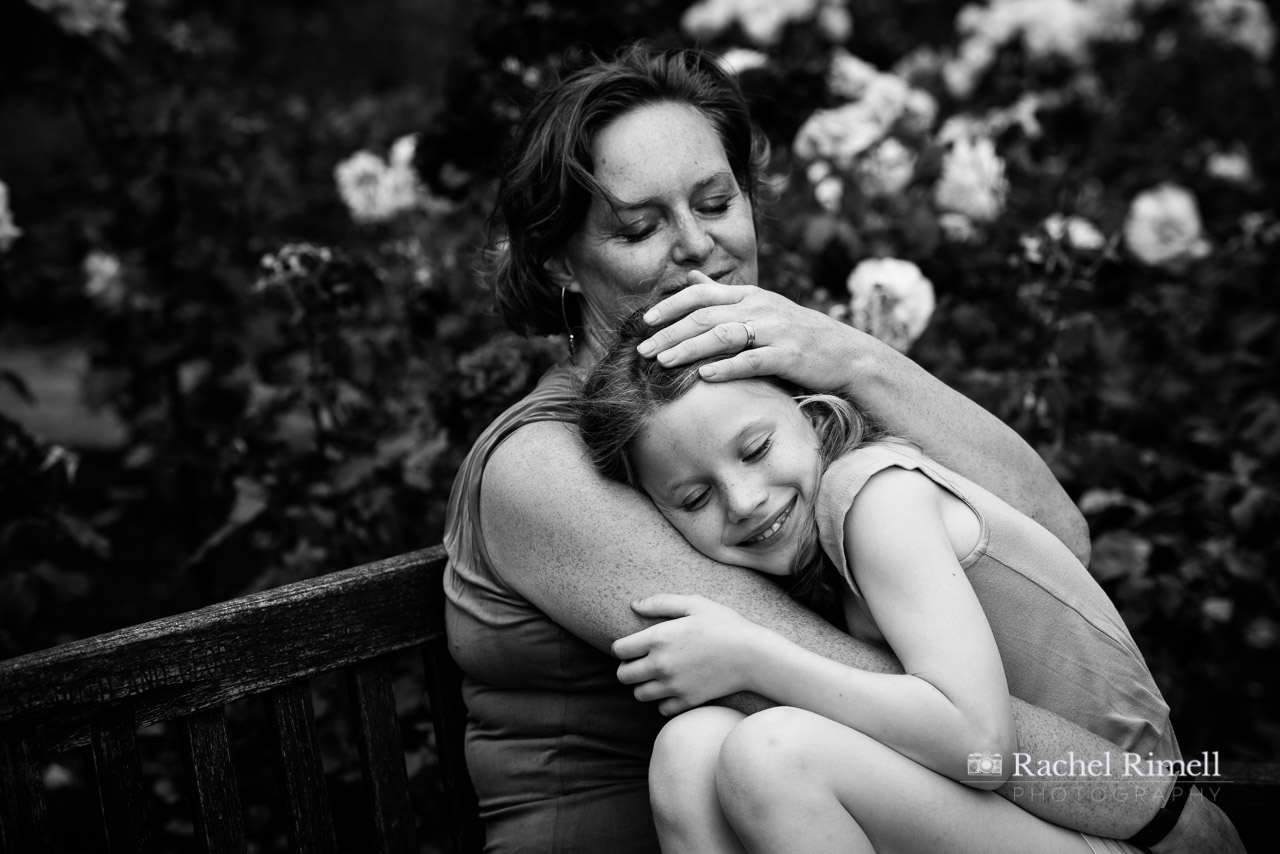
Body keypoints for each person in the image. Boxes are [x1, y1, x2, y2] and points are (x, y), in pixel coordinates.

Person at [442, 43, 1239, 853]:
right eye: (640, 226)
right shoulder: (544, 466)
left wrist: (850, 356)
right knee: (732, 743)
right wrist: (1161, 811)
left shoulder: (769, 396)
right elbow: (807, 677)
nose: (695, 245)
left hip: (808, 808)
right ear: (560, 263)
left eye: (716, 203)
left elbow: (1053, 546)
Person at [574, 304, 1205, 853]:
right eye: (692, 499)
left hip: (1126, 829)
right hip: (1019, 821)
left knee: (775, 754)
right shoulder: (818, 546)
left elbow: (978, 742)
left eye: (756, 449)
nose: (741, 501)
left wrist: (753, 658)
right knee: (690, 748)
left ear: (813, 413)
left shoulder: (877, 499)